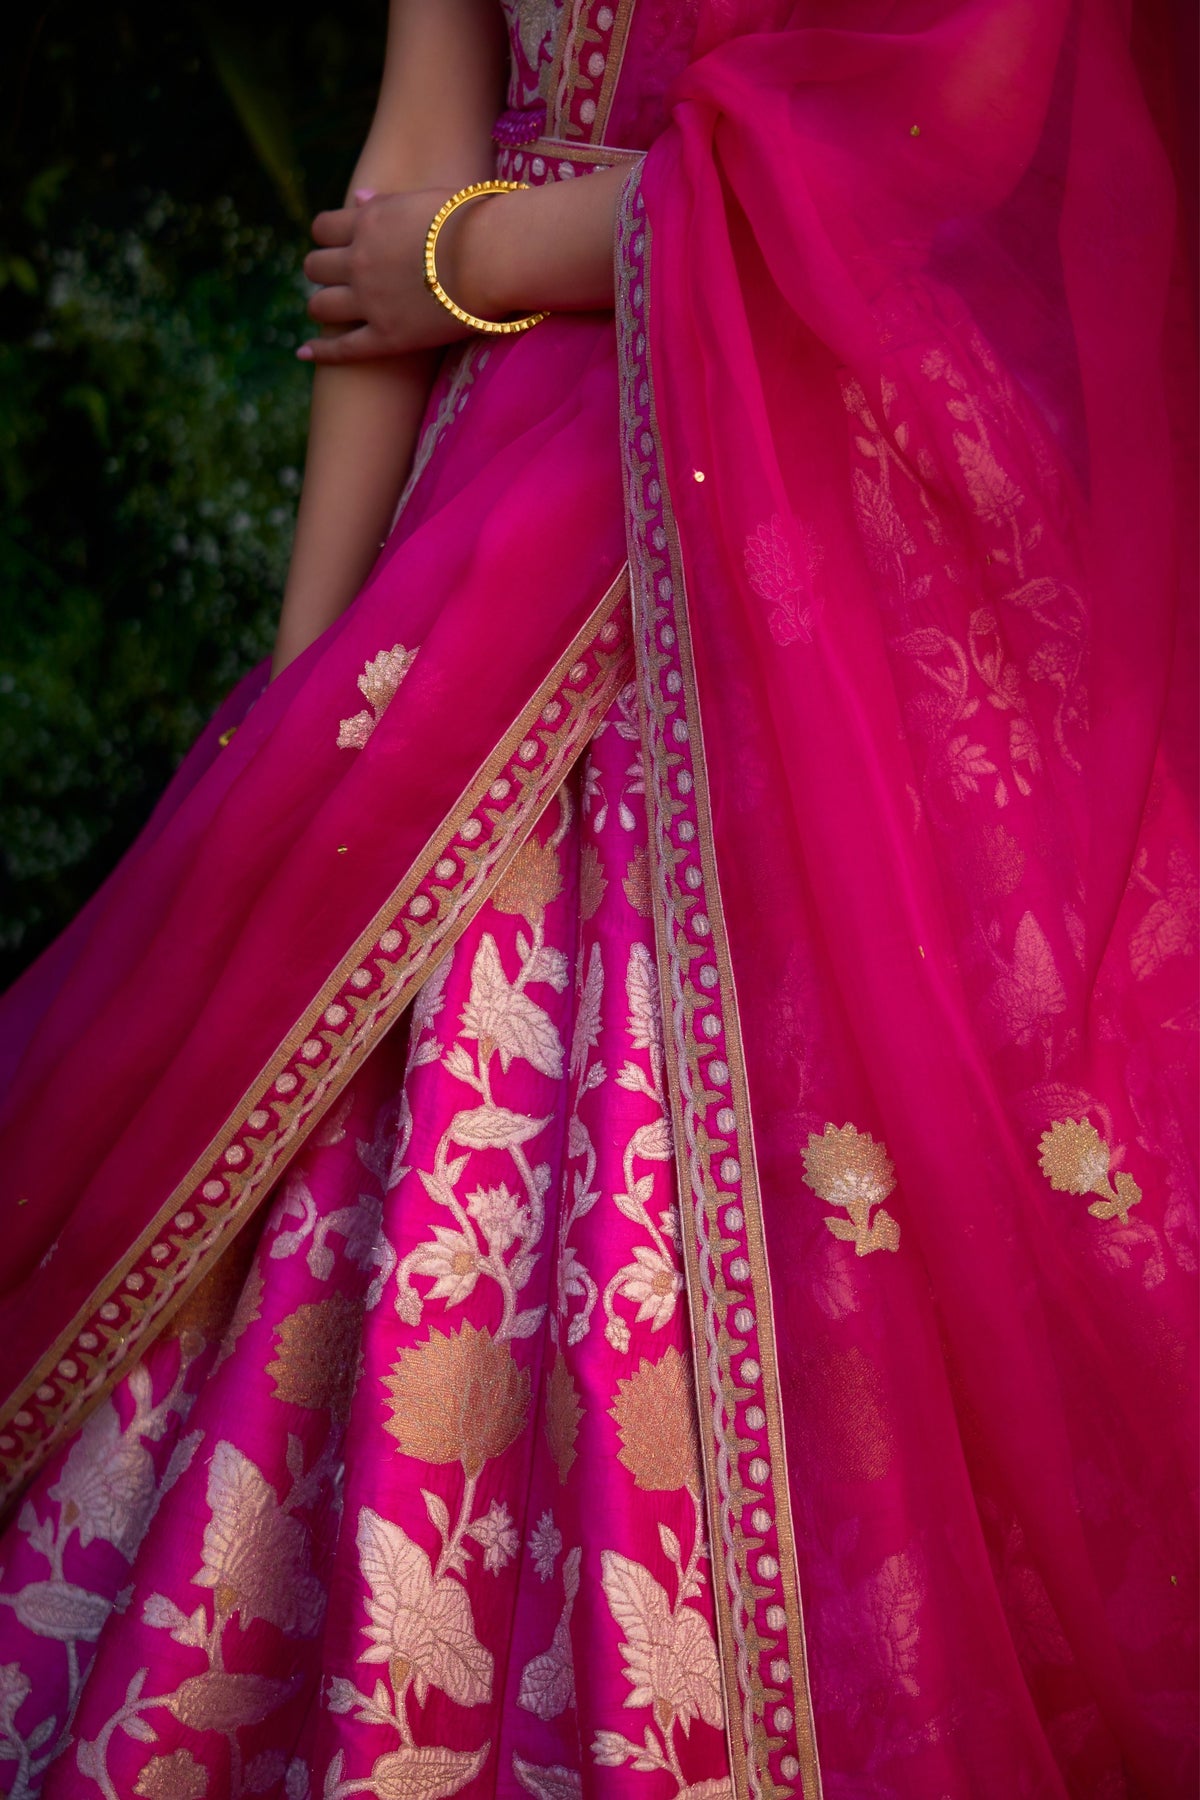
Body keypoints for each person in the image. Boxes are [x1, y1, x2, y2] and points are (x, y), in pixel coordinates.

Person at [0, 1, 1194, 1795]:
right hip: (469, 575)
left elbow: (936, 129)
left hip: (810, 546)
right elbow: (399, 169)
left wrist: (480, 253)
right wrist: (301, 698)